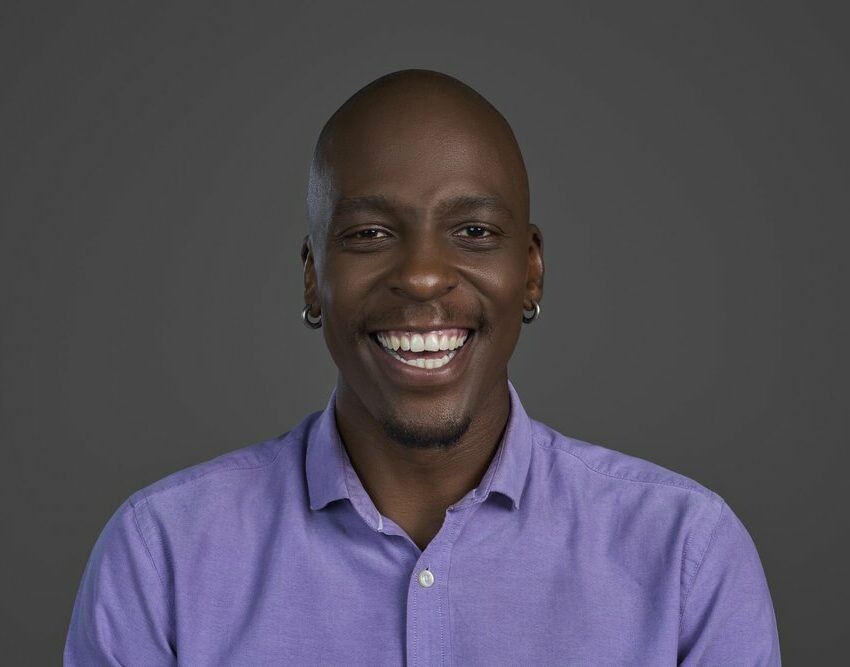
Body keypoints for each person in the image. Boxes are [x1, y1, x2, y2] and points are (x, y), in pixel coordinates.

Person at [64, 69, 781, 665]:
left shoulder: (685, 558)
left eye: (474, 231)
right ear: (313, 278)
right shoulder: (160, 559)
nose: (423, 276)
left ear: (530, 270)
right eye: (370, 233)